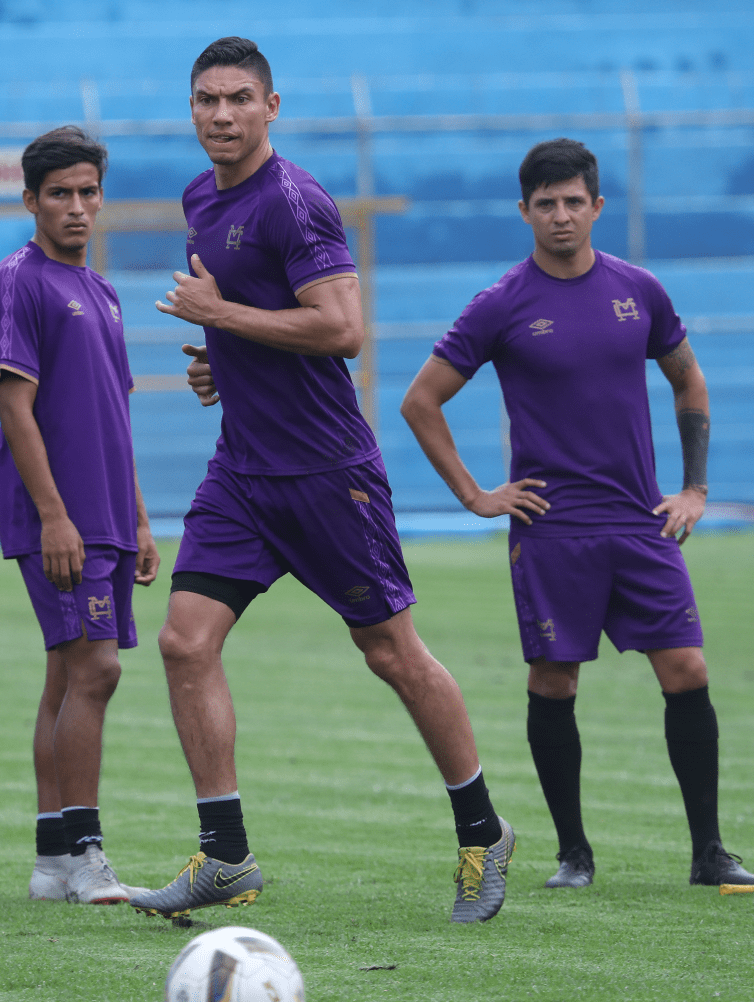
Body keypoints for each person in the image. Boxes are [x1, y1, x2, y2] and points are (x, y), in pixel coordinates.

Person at [127, 37, 515, 925]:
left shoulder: (295, 201)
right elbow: (260, 321)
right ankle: (225, 857)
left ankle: (482, 832)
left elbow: (342, 329)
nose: (219, 115)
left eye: (237, 99)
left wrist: (220, 315)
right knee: (185, 643)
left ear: (271, 107)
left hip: (325, 470)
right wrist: (220, 360)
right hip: (244, 468)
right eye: (205, 100)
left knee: (391, 655)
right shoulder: (200, 196)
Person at [400, 138, 754, 890]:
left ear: (597, 207)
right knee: (555, 681)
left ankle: (709, 855)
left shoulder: (641, 290)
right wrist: (476, 495)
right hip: (551, 531)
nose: (561, 216)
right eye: (546, 204)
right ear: (524, 212)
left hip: (640, 521)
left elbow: (688, 382)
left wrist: (694, 489)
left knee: (687, 668)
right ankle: (574, 855)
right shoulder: (501, 303)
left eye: (574, 202)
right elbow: (420, 400)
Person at [0, 126, 160, 905]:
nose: (78, 207)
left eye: (89, 192)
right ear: (31, 200)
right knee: (98, 668)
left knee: (67, 673)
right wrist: (55, 517)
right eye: (60, 193)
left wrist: (141, 520)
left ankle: (52, 861)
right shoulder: (19, 281)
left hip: (108, 518)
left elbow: (116, 416)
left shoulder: (104, 292)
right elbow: (16, 408)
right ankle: (88, 853)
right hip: (60, 520)